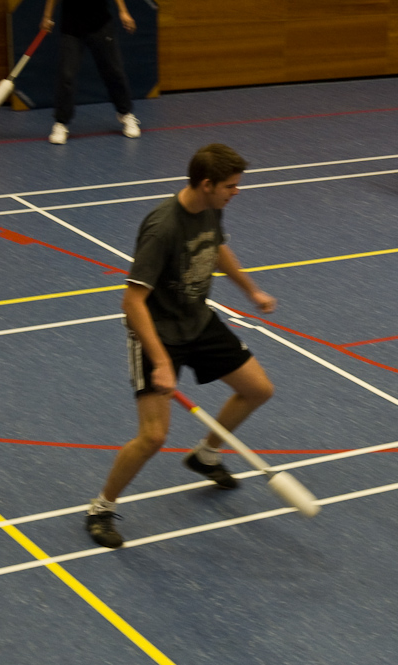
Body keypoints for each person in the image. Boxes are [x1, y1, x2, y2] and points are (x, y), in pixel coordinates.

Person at [85, 144, 277, 548]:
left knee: (258, 389)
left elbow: (216, 248)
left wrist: (251, 290)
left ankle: (205, 455)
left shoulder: (211, 207)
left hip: (197, 320)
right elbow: (132, 302)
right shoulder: (163, 227)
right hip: (157, 333)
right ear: (206, 184)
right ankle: (101, 508)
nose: (236, 192)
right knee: (154, 436)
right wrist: (160, 362)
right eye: (230, 186)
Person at [41, 0, 141, 145]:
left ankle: (125, 113)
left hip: (101, 24)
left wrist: (123, 12)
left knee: (114, 71)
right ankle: (61, 123)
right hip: (71, 28)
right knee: (66, 76)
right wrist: (47, 16)